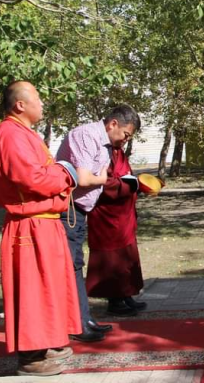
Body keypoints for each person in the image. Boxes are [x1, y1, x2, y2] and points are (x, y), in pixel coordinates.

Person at [0, 81, 81, 376]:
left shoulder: (23, 132)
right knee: (33, 290)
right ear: (20, 105)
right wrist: (66, 175)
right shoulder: (11, 134)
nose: (42, 103)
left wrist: (59, 172)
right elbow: (33, 178)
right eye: (37, 98)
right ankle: (31, 356)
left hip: (44, 223)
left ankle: (46, 343)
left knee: (49, 287)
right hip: (29, 225)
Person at [56, 105, 141, 343]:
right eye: (125, 134)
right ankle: (77, 323)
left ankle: (83, 319)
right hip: (68, 209)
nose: (125, 140)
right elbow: (84, 179)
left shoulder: (106, 144)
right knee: (71, 265)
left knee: (75, 265)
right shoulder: (86, 135)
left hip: (80, 210)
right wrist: (103, 180)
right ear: (113, 124)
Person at [84, 137, 146, 315]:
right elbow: (100, 182)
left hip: (123, 214)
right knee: (112, 258)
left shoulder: (119, 152)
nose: (126, 139)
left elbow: (125, 174)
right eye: (125, 134)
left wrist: (137, 185)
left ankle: (127, 294)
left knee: (127, 256)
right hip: (106, 215)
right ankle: (114, 301)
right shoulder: (101, 151)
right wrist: (129, 186)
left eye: (129, 136)